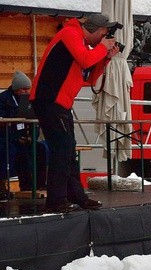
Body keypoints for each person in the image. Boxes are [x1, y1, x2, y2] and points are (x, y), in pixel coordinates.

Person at [30, 13, 119, 212]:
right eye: (105, 33)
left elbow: (89, 77)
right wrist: (102, 49)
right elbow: (86, 60)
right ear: (95, 29)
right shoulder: (70, 34)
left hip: (60, 102)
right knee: (62, 149)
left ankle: (76, 196)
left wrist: (106, 58)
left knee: (69, 149)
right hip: (50, 99)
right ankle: (56, 199)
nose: (106, 37)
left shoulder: (82, 44)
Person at [0, 71, 49, 195]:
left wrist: (32, 137)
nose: (27, 91)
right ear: (16, 88)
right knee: (17, 153)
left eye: (28, 89)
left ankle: (40, 184)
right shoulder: (3, 99)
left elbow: (34, 120)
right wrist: (15, 137)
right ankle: (20, 187)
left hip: (24, 137)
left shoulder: (29, 100)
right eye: (24, 89)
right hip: (7, 138)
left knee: (40, 149)